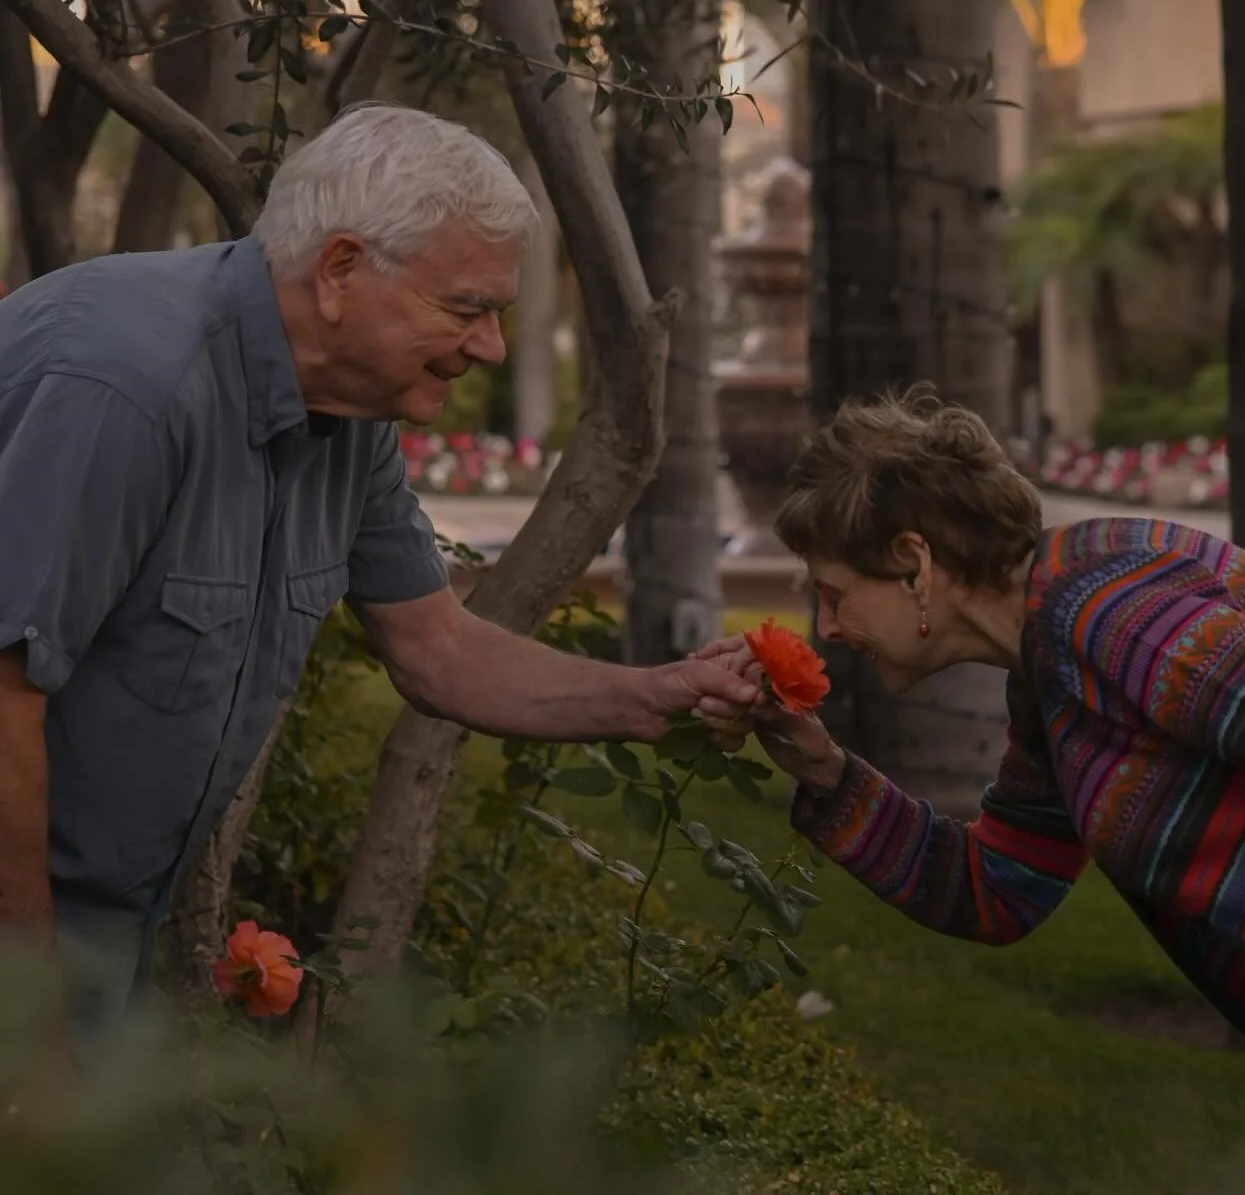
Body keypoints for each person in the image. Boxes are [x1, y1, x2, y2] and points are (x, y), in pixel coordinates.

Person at [0, 104, 755, 1039]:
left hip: (93, 938)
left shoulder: (351, 420)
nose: (491, 347)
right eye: (467, 308)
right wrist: (28, 1040)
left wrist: (658, 695)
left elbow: (438, 646)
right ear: (342, 270)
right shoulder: (128, 386)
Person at [708, 386, 1245, 1195]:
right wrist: (822, 770)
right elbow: (996, 891)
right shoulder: (1055, 674)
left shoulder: (1111, 613)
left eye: (837, 594)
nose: (828, 629)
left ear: (916, 564)